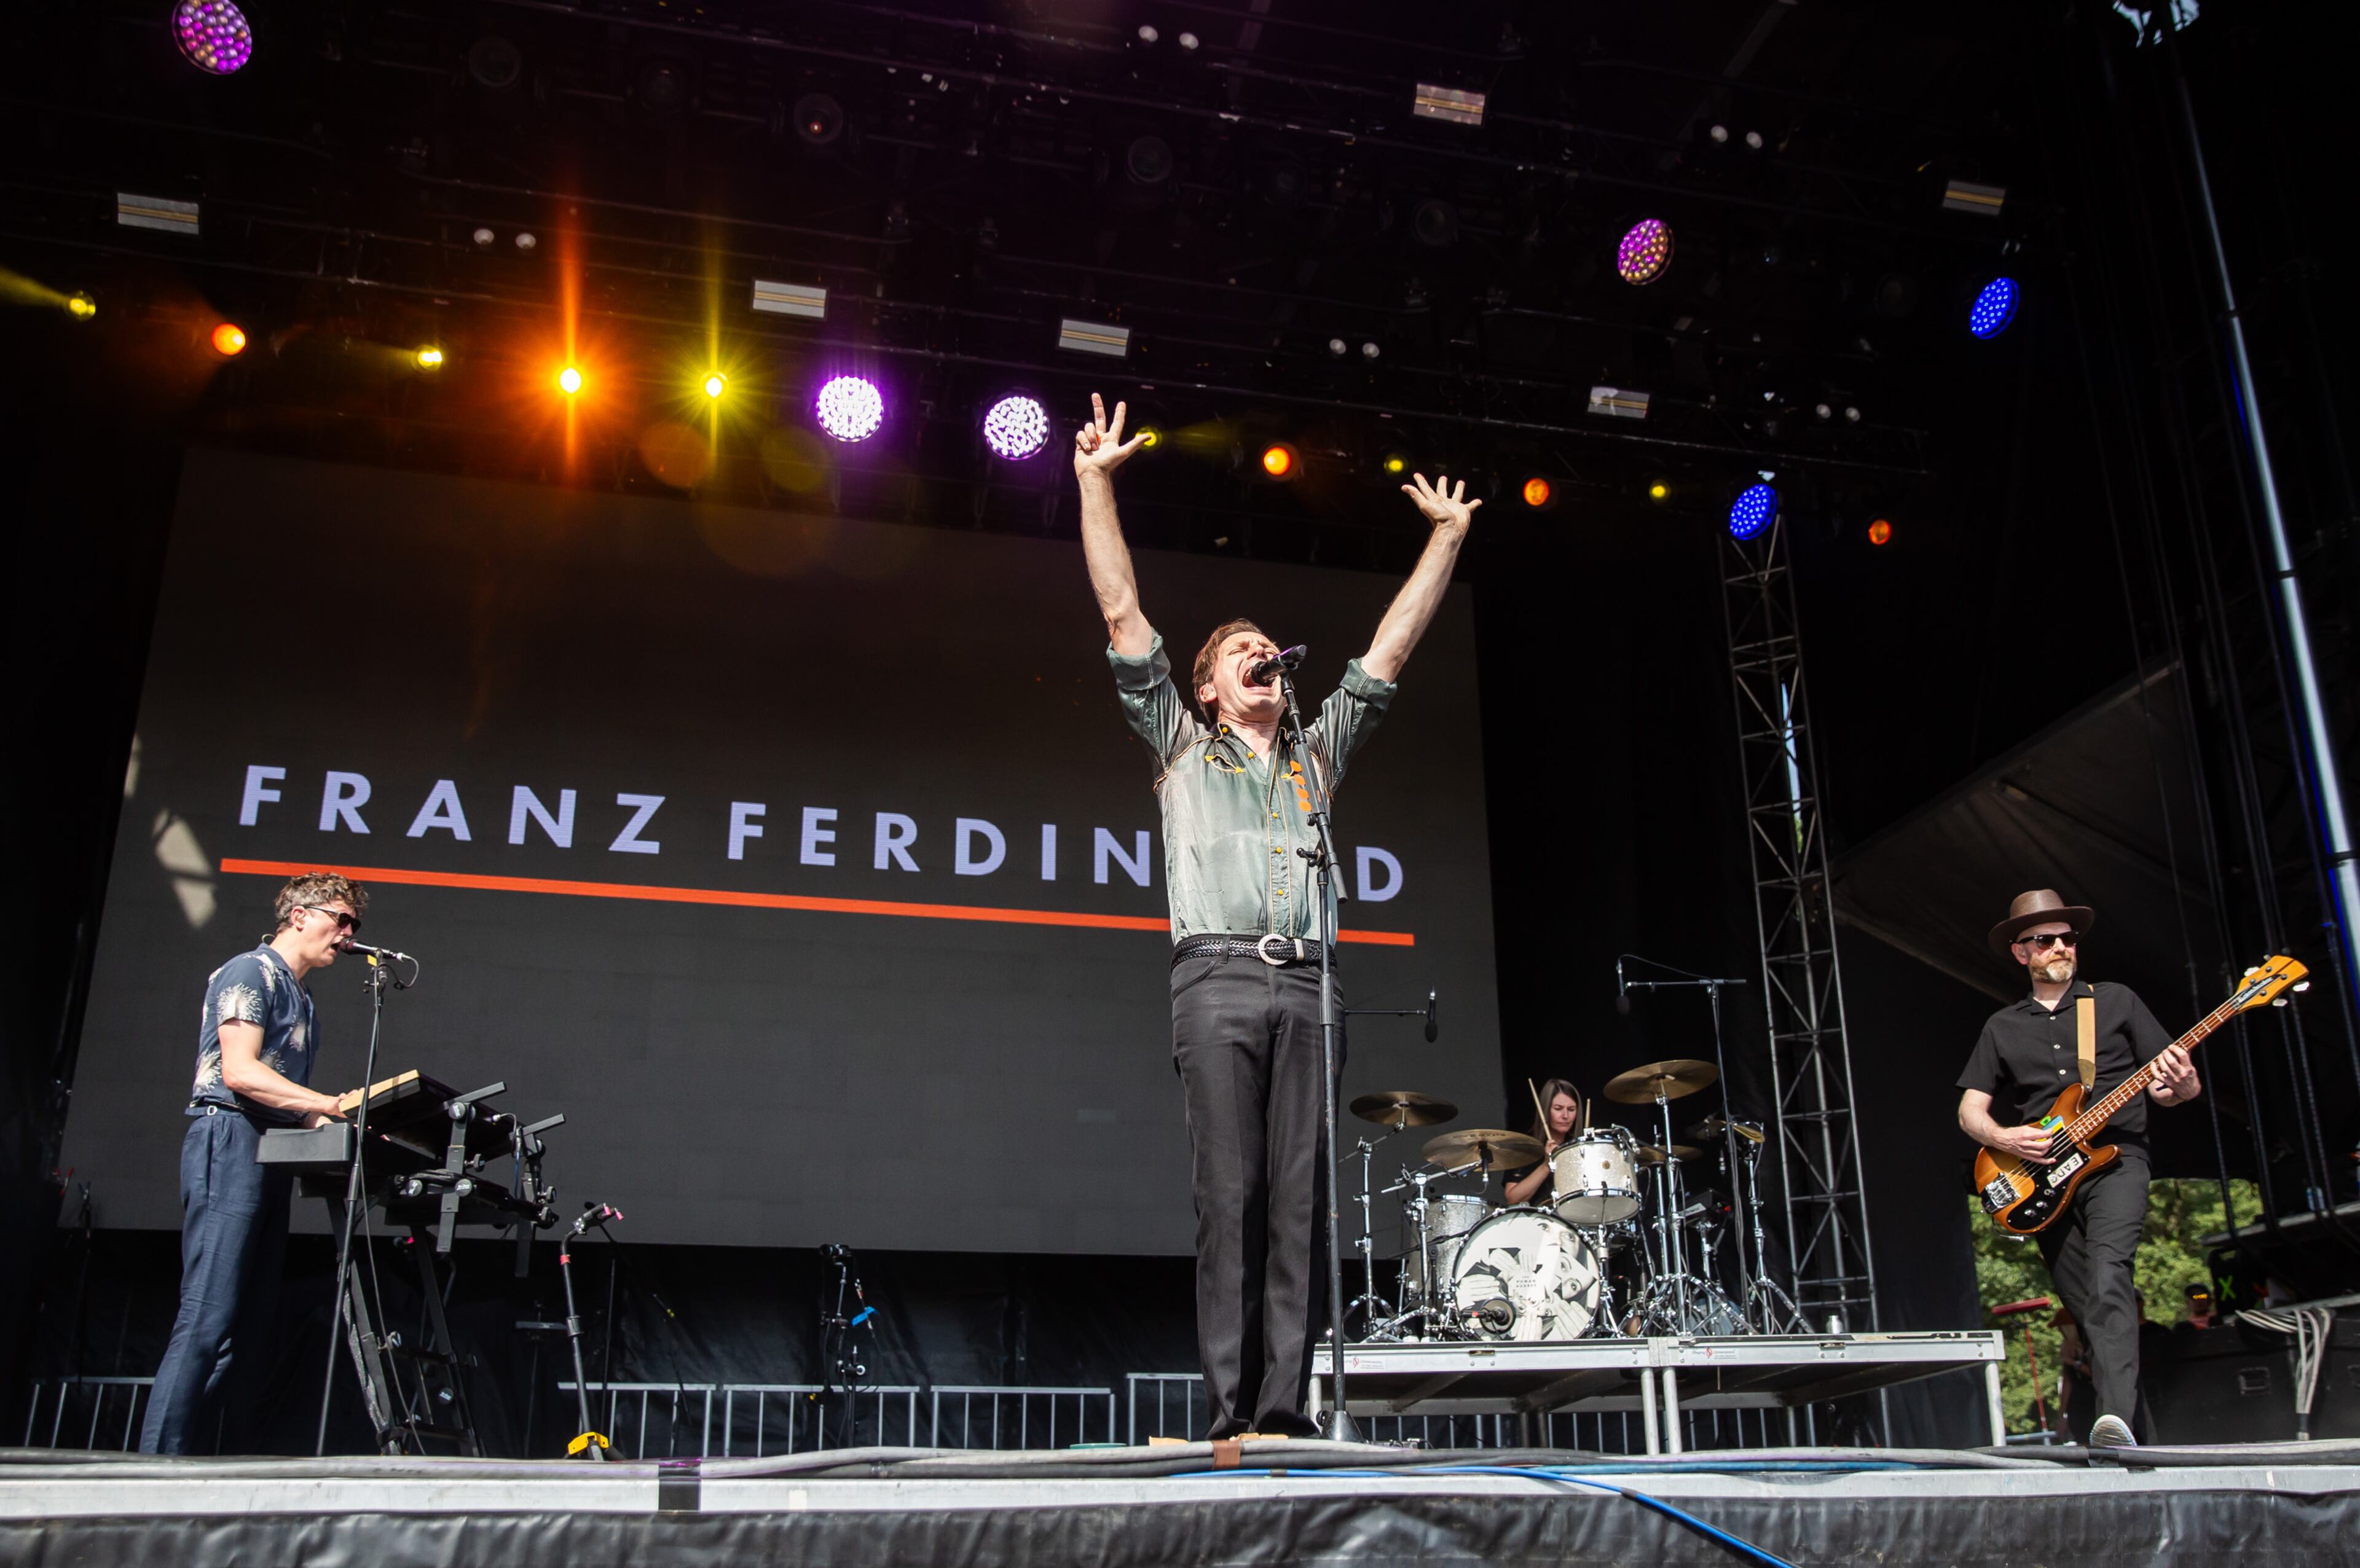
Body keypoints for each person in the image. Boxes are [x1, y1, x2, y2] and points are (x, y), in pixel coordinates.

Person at [1072, 392, 1474, 1440]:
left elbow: (1388, 652)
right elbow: (1124, 620)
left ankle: (1285, 1410)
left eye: (1267, 643)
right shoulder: (1177, 745)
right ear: (1208, 687)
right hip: (1214, 979)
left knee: (1302, 1200)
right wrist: (1094, 481)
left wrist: (1447, 538)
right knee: (1232, 1198)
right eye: (1237, 648)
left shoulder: (1314, 754)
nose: (1261, 652)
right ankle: (1226, 1408)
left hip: (1313, 980)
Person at [1954, 888, 2199, 1450]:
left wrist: (2182, 1087)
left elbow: (2167, 1086)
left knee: (2111, 1274)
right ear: (2022, 954)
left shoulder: (2115, 1001)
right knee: (2086, 1308)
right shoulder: (2002, 1027)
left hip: (2117, 1160)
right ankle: (2136, 1437)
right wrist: (2004, 1136)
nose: (2061, 946)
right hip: (2044, 1179)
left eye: (2067, 938)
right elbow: (1970, 1110)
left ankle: (2111, 1420)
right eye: (2045, 940)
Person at [139, 872, 366, 1455]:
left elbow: (289, 1099)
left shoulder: (304, 998)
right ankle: (150, 1468)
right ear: (298, 915)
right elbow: (239, 1073)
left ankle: (204, 1463)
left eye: (352, 925)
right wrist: (325, 1104)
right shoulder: (251, 971)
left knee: (245, 1326)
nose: (347, 935)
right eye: (340, 920)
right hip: (229, 1139)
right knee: (208, 1315)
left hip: (270, 1151)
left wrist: (349, 1118)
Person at [1503, 1080, 1584, 1208]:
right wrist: (1546, 1166)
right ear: (1546, 1110)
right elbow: (1513, 1199)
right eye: (1558, 1109)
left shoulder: (1580, 1147)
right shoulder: (1525, 1147)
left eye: (1571, 1109)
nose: (1565, 1116)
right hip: (1535, 1222)